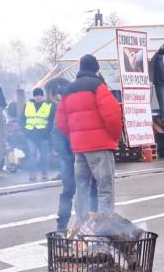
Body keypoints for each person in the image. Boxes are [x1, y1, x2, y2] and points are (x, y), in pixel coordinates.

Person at [56, 54, 123, 219]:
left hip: (79, 149)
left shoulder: (69, 90)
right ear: (97, 70)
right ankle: (105, 224)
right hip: (100, 147)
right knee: (104, 187)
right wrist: (114, 138)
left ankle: (81, 225)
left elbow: (61, 121)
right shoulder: (98, 86)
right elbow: (113, 115)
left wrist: (75, 136)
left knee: (82, 188)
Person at [51, 89, 97, 231]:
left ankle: (91, 224)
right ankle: (62, 226)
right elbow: (57, 134)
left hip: (85, 156)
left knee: (92, 190)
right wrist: (65, 155)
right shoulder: (65, 110)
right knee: (69, 190)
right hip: (70, 157)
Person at [22, 87, 54, 182]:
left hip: (43, 135)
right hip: (31, 134)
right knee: (32, 154)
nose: (38, 97)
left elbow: (51, 120)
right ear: (34, 96)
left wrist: (47, 131)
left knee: (44, 155)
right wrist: (25, 130)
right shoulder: (27, 105)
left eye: (40, 95)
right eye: (36, 95)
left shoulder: (48, 106)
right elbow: (22, 119)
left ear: (43, 96)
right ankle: (32, 175)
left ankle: (44, 174)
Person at [152, 47, 164, 124]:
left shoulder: (157, 58)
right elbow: (163, 71)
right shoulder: (161, 59)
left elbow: (161, 71)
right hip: (163, 83)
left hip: (159, 84)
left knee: (162, 103)